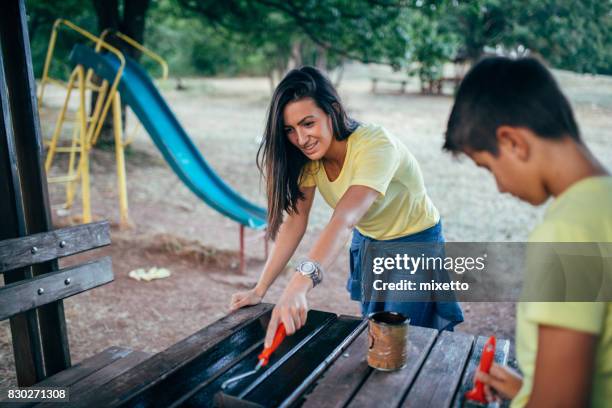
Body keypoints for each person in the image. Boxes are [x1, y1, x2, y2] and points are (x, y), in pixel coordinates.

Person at [230, 66, 463, 348]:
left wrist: (298, 286)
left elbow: (344, 219)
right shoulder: (308, 160)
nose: (301, 139)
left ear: (333, 110)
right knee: (375, 334)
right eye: (290, 130)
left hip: (414, 243)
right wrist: (260, 288)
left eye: (308, 123)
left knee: (402, 342)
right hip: (369, 242)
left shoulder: (375, 145)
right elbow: (294, 221)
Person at [443, 56, 612, 407]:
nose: (501, 187)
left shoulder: (566, 233)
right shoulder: (601, 204)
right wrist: (528, 391)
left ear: (513, 142)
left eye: (489, 167)